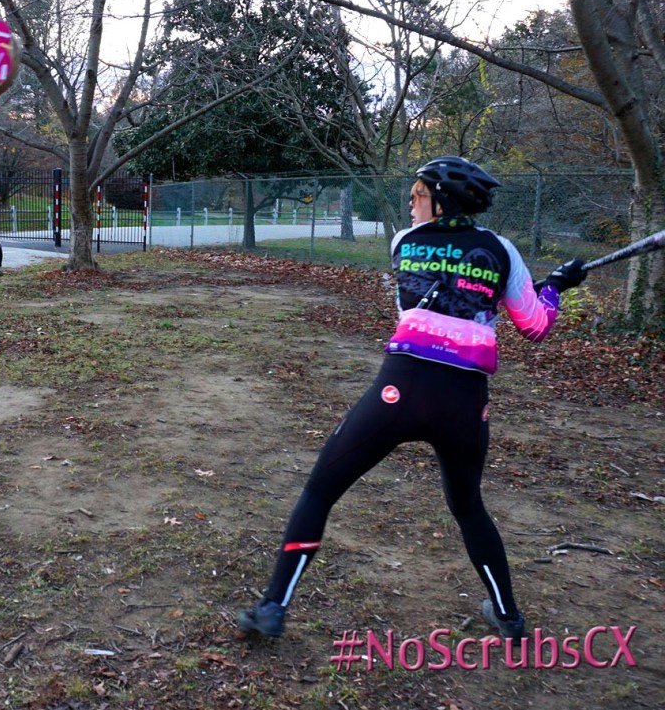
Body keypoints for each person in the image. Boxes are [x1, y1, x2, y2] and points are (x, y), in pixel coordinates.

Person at [237, 156, 586, 641]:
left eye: (419, 194)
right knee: (468, 507)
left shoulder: (404, 242)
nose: (411, 201)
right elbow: (534, 325)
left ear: (441, 201)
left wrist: (524, 288)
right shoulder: (501, 250)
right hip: (464, 404)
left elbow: (437, 296)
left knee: (319, 491)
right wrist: (556, 288)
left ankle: (273, 606)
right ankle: (509, 616)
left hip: (400, 392)